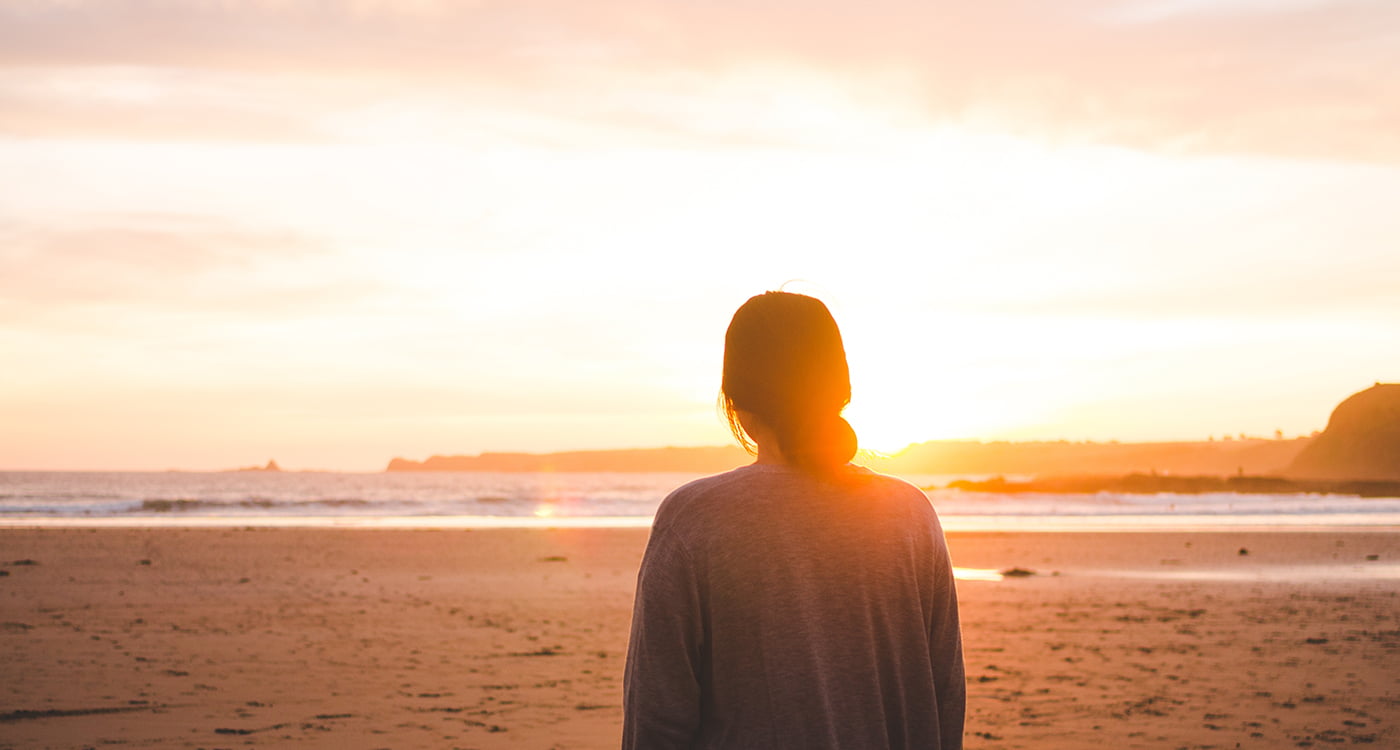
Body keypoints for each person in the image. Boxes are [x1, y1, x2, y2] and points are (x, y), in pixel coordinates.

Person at [623, 291, 965, 749]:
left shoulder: (695, 518)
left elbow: (658, 714)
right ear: (839, 391)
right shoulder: (909, 513)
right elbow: (945, 699)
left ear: (734, 399)